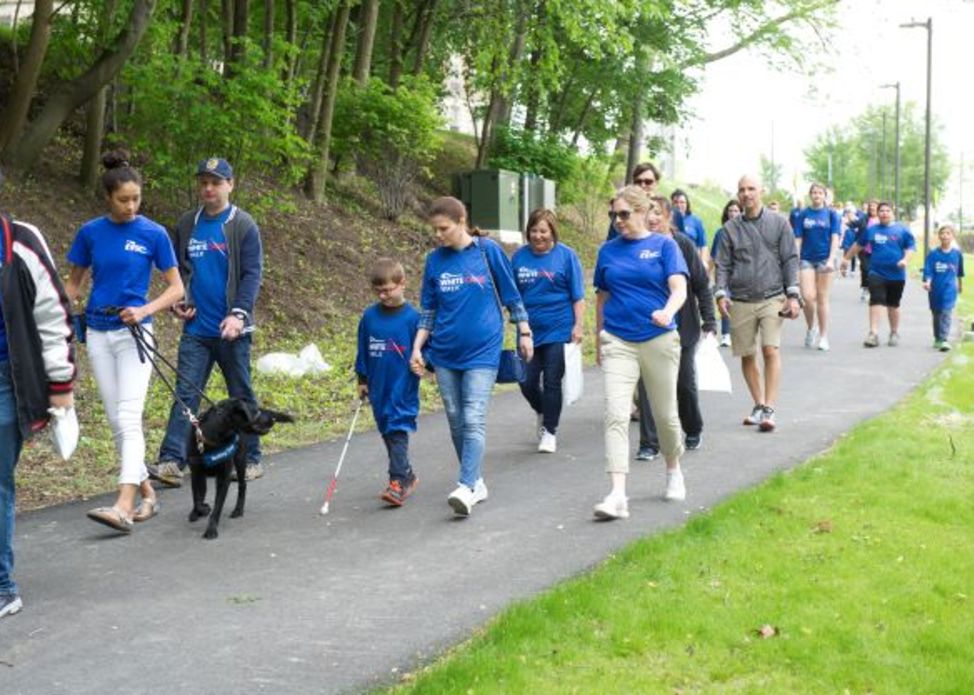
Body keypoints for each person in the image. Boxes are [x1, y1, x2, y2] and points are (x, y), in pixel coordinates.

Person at [65, 153, 184, 532]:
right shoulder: (90, 233)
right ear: (108, 197)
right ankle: (148, 494)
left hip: (135, 334)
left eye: (136, 199)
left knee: (129, 416)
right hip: (98, 333)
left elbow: (177, 288)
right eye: (123, 200)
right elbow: (73, 284)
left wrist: (145, 309)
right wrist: (51, 315)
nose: (131, 206)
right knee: (118, 420)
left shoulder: (154, 233)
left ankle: (123, 504)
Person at [409, 197, 532, 517]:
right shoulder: (435, 260)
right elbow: (428, 310)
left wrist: (524, 330)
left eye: (444, 228)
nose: (438, 235)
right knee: (455, 417)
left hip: (483, 350)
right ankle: (475, 481)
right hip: (445, 352)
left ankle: (465, 485)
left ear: (462, 221)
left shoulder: (487, 251)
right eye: (434, 230)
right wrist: (417, 347)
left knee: (473, 417)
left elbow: (511, 294)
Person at [148, 157, 265, 487]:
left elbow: (252, 274)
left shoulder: (243, 225)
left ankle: (252, 458)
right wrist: (180, 302)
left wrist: (239, 314)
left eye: (216, 182)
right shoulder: (188, 223)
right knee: (185, 393)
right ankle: (172, 460)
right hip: (196, 330)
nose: (209, 188)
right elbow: (180, 272)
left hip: (232, 331)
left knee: (240, 394)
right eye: (203, 183)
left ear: (230, 185)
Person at [0, 170, 76, 619]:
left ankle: (2, 585)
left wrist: (60, 386)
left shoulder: (20, 242)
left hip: (6, 379)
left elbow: (53, 315)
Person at [593, 185, 688, 520]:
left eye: (624, 214)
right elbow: (602, 297)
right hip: (618, 340)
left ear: (643, 211)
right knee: (616, 414)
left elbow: (679, 288)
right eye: (613, 215)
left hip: (659, 338)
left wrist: (667, 311)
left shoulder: (664, 245)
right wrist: (599, 338)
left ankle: (673, 468)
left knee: (665, 415)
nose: (618, 220)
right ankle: (618, 494)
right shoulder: (608, 251)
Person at [714, 174, 800, 433]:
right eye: (742, 189)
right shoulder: (730, 229)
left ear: (761, 191)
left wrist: (793, 294)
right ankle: (759, 404)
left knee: (770, 349)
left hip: (772, 295)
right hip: (741, 298)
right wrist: (721, 293)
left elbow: (790, 258)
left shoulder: (779, 223)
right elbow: (723, 264)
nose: (746, 194)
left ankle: (770, 408)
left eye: (751, 188)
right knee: (747, 354)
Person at [637, 195, 715, 456]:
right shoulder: (637, 245)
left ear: (669, 216)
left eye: (658, 213)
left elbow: (702, 285)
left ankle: (692, 428)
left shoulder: (683, 244)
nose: (652, 218)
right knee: (648, 386)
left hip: (682, 328)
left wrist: (709, 320)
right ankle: (649, 443)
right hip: (647, 329)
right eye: (648, 212)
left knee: (683, 384)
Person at [511, 209, 585, 453]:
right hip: (528, 330)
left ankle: (550, 431)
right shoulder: (519, 257)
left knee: (553, 380)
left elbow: (578, 296)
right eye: (534, 230)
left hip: (558, 328)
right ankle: (543, 411)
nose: (538, 236)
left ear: (552, 232)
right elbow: (511, 294)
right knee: (526, 381)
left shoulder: (566, 256)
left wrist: (578, 325)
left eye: (543, 231)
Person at [355, 258, 421, 505]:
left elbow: (424, 349)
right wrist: (362, 379)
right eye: (378, 291)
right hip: (378, 385)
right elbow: (362, 349)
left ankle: (397, 482)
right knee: (387, 429)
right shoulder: (370, 317)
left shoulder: (413, 318)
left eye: (387, 290)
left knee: (396, 428)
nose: (382, 296)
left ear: (402, 283)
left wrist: (424, 363)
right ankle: (407, 473)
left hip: (402, 386)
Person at [841, 201, 915, 347]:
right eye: (881, 211)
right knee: (876, 300)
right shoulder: (872, 230)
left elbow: (910, 247)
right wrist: (846, 259)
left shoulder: (902, 230)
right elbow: (858, 245)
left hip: (896, 274)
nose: (884, 213)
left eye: (887, 211)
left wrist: (905, 260)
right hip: (876, 272)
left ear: (892, 212)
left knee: (893, 305)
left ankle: (894, 332)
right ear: (878, 213)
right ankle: (873, 334)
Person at [793, 183, 841, 351]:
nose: (817, 195)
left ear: (824, 196)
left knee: (822, 297)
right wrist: (796, 258)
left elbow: (835, 238)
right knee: (807, 296)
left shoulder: (831, 214)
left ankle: (823, 336)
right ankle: (810, 327)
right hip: (806, 258)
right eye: (814, 192)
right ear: (810, 195)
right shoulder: (803, 214)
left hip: (824, 259)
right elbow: (798, 238)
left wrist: (831, 260)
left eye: (820, 193)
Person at [923, 225, 964, 352]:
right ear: (939, 236)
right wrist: (928, 282)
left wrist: (960, 285)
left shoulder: (957, 254)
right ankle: (937, 338)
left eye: (948, 233)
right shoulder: (933, 254)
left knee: (946, 313)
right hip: (935, 289)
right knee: (937, 314)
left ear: (953, 236)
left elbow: (959, 272)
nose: (945, 235)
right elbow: (928, 271)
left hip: (950, 289)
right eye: (942, 233)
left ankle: (944, 339)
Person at [708, 199, 742, 348]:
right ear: (726, 214)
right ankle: (726, 334)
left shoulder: (746, 231)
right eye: (730, 211)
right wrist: (707, 274)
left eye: (736, 211)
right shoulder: (720, 233)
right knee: (724, 301)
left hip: (741, 273)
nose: (733, 214)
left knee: (739, 304)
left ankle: (738, 332)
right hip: (724, 273)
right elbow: (713, 256)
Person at [606, 162, 660, 242]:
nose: (643, 185)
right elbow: (612, 241)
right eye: (638, 182)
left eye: (648, 182)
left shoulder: (666, 210)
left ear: (656, 183)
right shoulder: (622, 210)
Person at [671, 188, 708, 262]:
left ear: (687, 204)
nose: (679, 205)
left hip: (691, 259)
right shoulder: (667, 219)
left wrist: (703, 262)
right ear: (671, 204)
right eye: (676, 202)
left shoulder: (696, 221)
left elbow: (703, 245)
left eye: (682, 202)